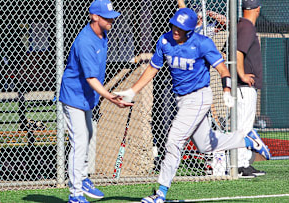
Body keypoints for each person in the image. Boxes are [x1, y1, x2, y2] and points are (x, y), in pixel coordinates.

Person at [114, 8, 270, 203]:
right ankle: (247, 141)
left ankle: (160, 192)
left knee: (173, 140)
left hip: (199, 97)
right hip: (182, 99)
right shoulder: (164, 40)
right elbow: (153, 68)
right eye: (174, 25)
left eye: (181, 28)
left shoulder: (202, 43)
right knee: (206, 144)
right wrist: (132, 90)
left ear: (190, 30)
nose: (175, 30)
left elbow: (223, 70)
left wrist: (227, 91)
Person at [59, 1, 133, 203]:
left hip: (86, 97)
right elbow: (91, 79)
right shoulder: (85, 42)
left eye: (112, 16)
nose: (112, 20)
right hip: (74, 96)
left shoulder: (103, 35)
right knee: (80, 141)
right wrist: (110, 98)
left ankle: (82, 179)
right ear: (94, 17)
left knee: (89, 135)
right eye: (107, 17)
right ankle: (74, 194)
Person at [236, 0, 266, 178]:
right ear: (258, 9)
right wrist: (242, 74)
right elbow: (239, 52)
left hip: (243, 87)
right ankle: (239, 164)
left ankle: (244, 162)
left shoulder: (242, 25)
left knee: (244, 125)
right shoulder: (247, 26)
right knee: (243, 126)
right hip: (244, 87)